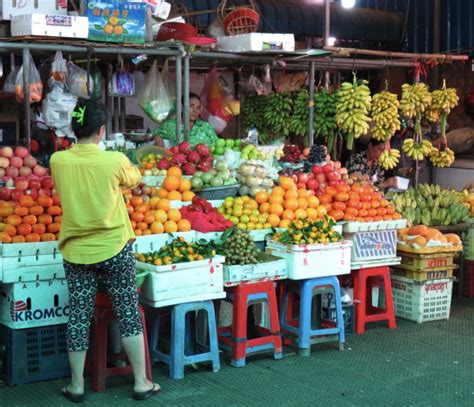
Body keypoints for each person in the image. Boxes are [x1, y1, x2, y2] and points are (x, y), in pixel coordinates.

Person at [50, 99, 160, 403]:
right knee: (127, 312)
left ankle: (76, 386)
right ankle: (141, 381)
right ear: (102, 130)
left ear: (74, 129)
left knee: (79, 315)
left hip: (76, 251)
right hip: (114, 247)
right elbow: (135, 179)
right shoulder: (114, 161)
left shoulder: (58, 160)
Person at [154, 93, 218, 148]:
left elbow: (217, 145)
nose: (195, 110)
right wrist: (158, 139)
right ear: (182, 107)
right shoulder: (170, 126)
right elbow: (155, 134)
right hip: (179, 161)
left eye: (198, 108)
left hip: (205, 162)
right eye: (191, 106)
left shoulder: (206, 127)